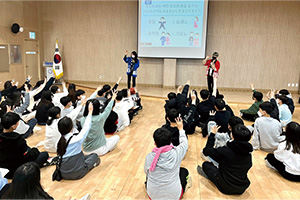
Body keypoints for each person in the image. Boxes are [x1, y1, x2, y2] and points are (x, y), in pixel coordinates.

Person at [197, 124, 253, 195]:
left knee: (206, 165)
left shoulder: (225, 151)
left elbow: (206, 151)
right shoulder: (248, 154)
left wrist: (212, 134)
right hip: (241, 188)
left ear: (232, 136)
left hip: (225, 186)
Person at [144, 117, 191, 199]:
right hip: (174, 196)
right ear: (170, 141)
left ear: (155, 143)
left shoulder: (149, 157)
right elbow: (184, 143)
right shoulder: (177, 152)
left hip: (153, 196)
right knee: (184, 171)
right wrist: (181, 129)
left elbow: (146, 172)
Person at [57, 102, 100, 180]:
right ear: (71, 128)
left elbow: (70, 117)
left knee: (83, 156)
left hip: (63, 174)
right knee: (94, 155)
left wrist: (81, 105)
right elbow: (86, 127)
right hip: (78, 173)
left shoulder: (60, 140)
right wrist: (90, 112)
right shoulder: (76, 139)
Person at [0, 112, 49, 179]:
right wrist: (35, 150)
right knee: (44, 155)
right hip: (17, 170)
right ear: (13, 127)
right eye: (17, 122)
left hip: (3, 169)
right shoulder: (17, 140)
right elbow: (28, 157)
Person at [82, 91, 120, 156]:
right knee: (117, 137)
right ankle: (108, 149)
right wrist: (113, 98)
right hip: (99, 150)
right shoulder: (100, 117)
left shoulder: (82, 120)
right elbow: (108, 109)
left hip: (85, 150)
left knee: (107, 139)